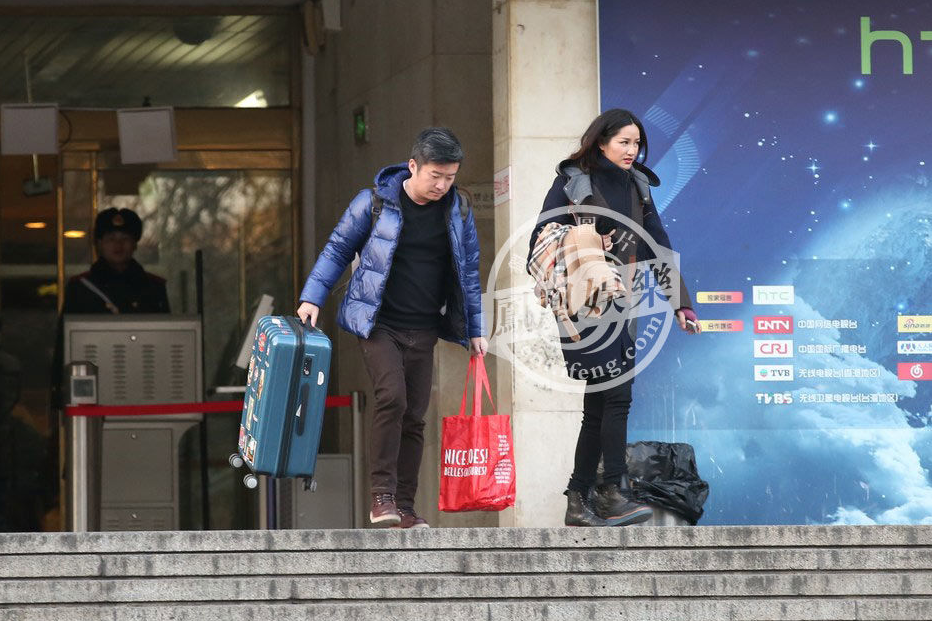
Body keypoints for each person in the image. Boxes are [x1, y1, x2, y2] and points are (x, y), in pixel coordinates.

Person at [297, 128, 487, 529]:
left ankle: (404, 506)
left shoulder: (459, 211)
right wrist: (313, 296)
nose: (442, 184)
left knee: (416, 416)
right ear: (413, 165)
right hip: (378, 322)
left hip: (425, 326)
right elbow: (338, 248)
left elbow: (468, 272)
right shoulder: (375, 203)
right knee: (392, 398)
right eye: (435, 175)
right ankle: (381, 495)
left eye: (450, 176)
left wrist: (475, 328)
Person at [527, 109, 700, 527]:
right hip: (585, 302)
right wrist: (583, 239)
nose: (631, 150)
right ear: (601, 141)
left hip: (626, 299)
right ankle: (613, 490)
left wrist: (680, 302)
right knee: (616, 395)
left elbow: (658, 242)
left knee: (599, 402)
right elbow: (540, 238)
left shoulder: (638, 185)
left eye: (637, 143)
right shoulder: (572, 182)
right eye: (624, 142)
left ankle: (578, 497)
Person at [62, 208, 170, 314]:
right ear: (99, 244)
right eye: (111, 239)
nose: (118, 245)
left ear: (135, 244)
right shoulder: (80, 288)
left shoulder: (153, 288)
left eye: (125, 238)